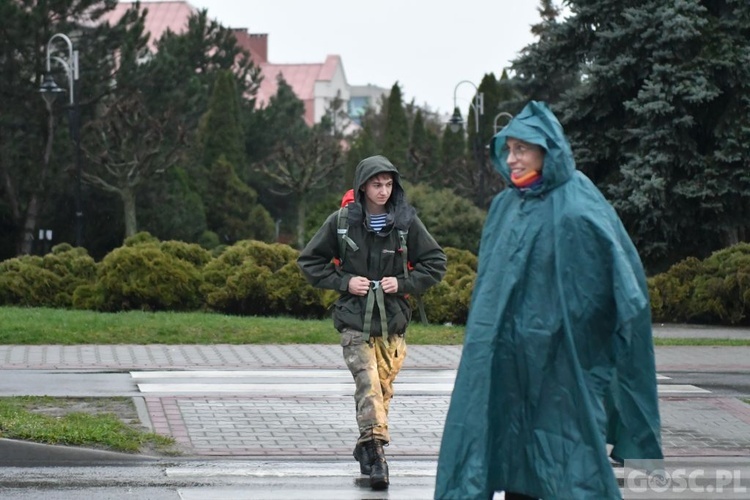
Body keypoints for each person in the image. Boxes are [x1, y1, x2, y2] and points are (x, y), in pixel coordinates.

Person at [434, 101, 663, 499]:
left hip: (562, 368)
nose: (512, 159)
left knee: (567, 463)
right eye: (508, 150)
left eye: (521, 149)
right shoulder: (505, 206)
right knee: (509, 453)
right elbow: (490, 288)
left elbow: (620, 285)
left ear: (547, 148)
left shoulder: (578, 204)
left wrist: (589, 342)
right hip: (506, 362)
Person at [298, 155, 447, 491]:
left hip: (393, 321)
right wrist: (344, 281)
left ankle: (366, 445)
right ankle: (379, 459)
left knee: (382, 391)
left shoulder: (406, 222)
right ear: (362, 186)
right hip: (354, 319)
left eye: (388, 184)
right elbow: (310, 261)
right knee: (368, 384)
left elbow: (435, 262)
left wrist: (404, 283)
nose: (383, 190)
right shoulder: (341, 221)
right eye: (377, 184)